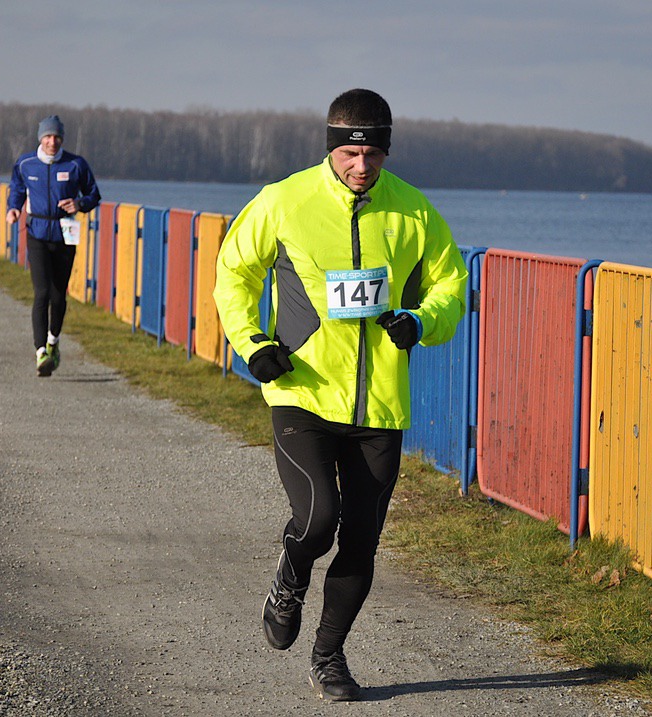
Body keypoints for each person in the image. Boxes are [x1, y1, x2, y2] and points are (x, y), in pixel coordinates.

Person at [213, 88, 468, 701]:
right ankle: (290, 577)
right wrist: (252, 343)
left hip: (379, 404)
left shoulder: (414, 212)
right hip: (301, 392)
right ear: (332, 146)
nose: (361, 166)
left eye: (373, 154)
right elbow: (234, 273)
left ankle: (328, 657)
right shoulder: (284, 200)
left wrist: (421, 321)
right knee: (318, 518)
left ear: (386, 150)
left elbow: (452, 285)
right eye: (351, 153)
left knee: (360, 538)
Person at [6, 115, 100, 377]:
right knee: (42, 292)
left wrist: (79, 204)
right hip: (36, 232)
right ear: (40, 138)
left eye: (57, 137)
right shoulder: (26, 163)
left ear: (62, 139)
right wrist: (13, 208)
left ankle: (53, 342)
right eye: (47, 136)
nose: (52, 141)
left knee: (58, 296)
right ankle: (40, 352)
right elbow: (17, 188)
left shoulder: (76, 164)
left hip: (65, 235)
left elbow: (94, 194)